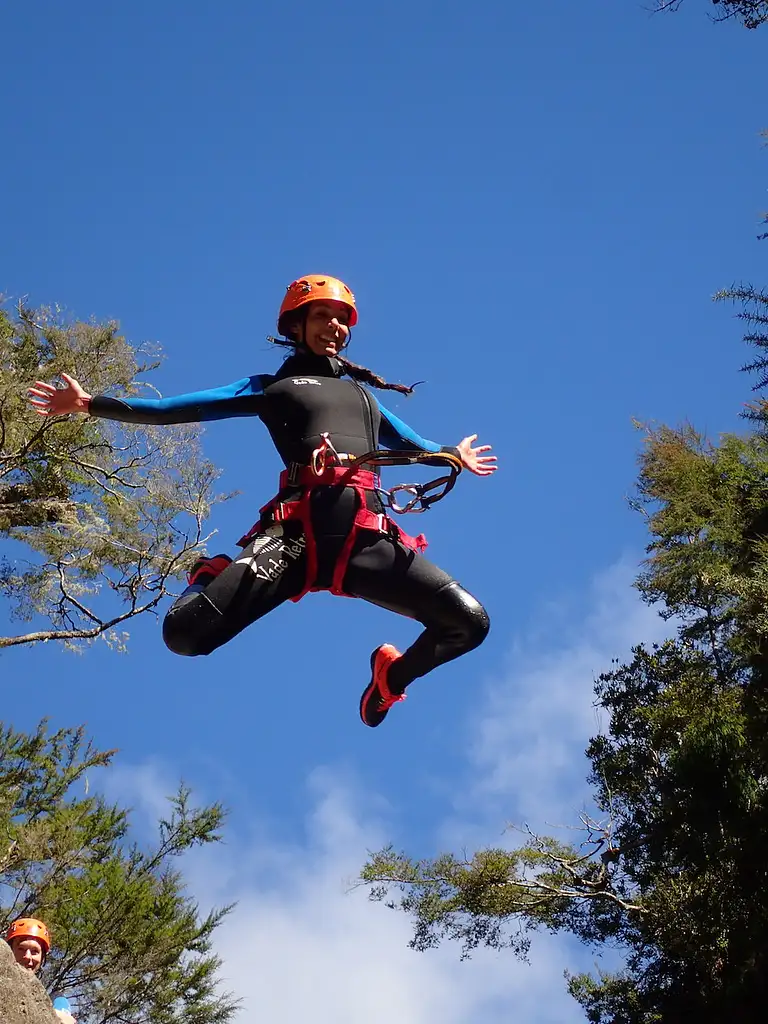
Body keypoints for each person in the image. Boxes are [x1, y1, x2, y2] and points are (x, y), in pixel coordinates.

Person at [28, 274, 497, 727]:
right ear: (296, 324)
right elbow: (178, 408)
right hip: (293, 539)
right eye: (323, 315)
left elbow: (412, 444)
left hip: (365, 540)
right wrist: (91, 404)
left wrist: (451, 455)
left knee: (467, 623)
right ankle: (207, 576)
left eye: (342, 319)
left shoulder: (363, 396)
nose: (335, 326)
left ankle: (390, 677)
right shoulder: (272, 388)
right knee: (184, 635)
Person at [5, 918, 76, 1024]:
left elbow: (66, 1019)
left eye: (34, 951)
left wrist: (54, 1015)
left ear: (42, 959)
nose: (27, 956)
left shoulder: (55, 1000)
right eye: (21, 949)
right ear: (9, 951)